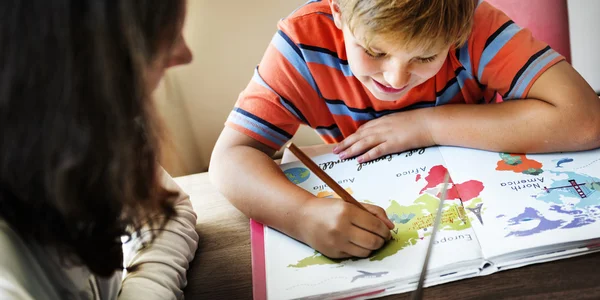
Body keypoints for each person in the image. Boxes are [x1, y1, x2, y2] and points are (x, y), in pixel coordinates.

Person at [209, 0, 600, 260]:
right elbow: (230, 158)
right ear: (339, 14)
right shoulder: (303, 43)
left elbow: (586, 119)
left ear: (457, 36)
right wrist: (303, 216)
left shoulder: (472, 23)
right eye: (375, 51)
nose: (396, 77)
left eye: (426, 56)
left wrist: (428, 124)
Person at [0, 0, 197, 299]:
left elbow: (166, 209)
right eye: (164, 33)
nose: (183, 55)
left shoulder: (91, 139)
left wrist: (145, 290)